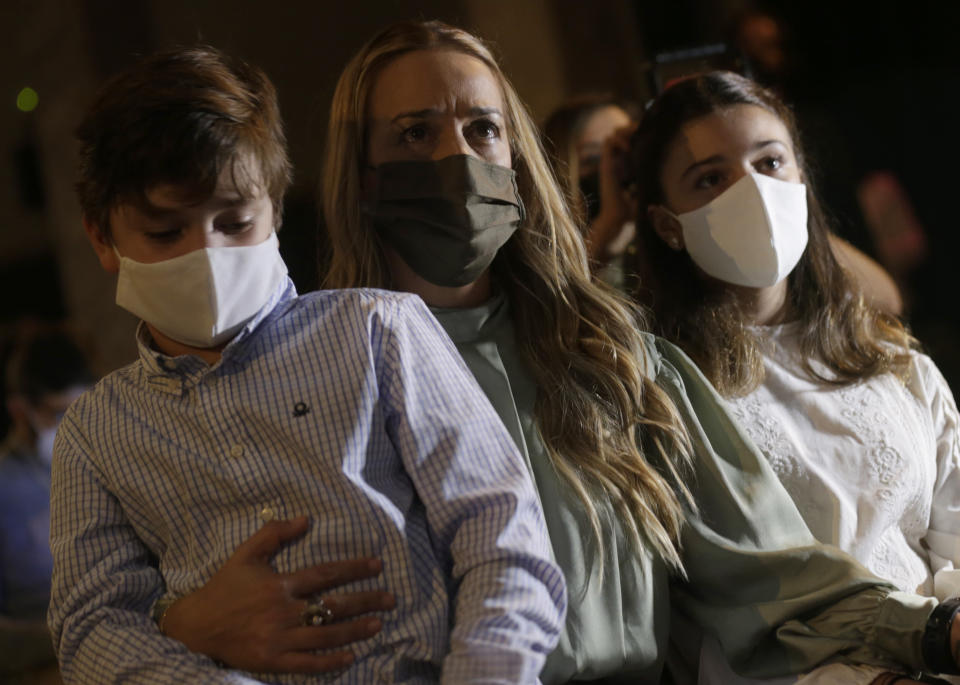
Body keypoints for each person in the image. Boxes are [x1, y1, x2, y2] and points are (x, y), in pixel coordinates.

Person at [160, 21, 960, 685]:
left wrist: (930, 635)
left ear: (516, 157)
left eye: (483, 128)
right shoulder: (307, 381)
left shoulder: (617, 363)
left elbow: (773, 579)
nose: (460, 158)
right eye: (415, 133)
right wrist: (180, 622)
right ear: (363, 177)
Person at [47, 44, 566, 684]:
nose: (206, 253)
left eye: (235, 221)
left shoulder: (378, 332)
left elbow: (499, 528)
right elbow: (91, 629)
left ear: (275, 206)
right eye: (164, 234)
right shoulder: (95, 435)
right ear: (103, 238)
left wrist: (486, 673)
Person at [628, 70, 960, 681]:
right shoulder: (660, 390)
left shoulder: (893, 362)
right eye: (710, 178)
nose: (750, 190)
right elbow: (727, 605)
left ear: (801, 181)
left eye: (769, 162)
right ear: (667, 225)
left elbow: (954, 532)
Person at [1, 327, 92, 685]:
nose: (73, 429)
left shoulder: (101, 471)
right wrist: (78, 639)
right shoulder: (7, 489)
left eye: (81, 413)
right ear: (19, 411)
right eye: (59, 415)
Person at [541, 95, 637, 287]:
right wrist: (607, 227)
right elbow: (556, 296)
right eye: (593, 158)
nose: (611, 167)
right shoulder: (540, 249)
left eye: (622, 151)